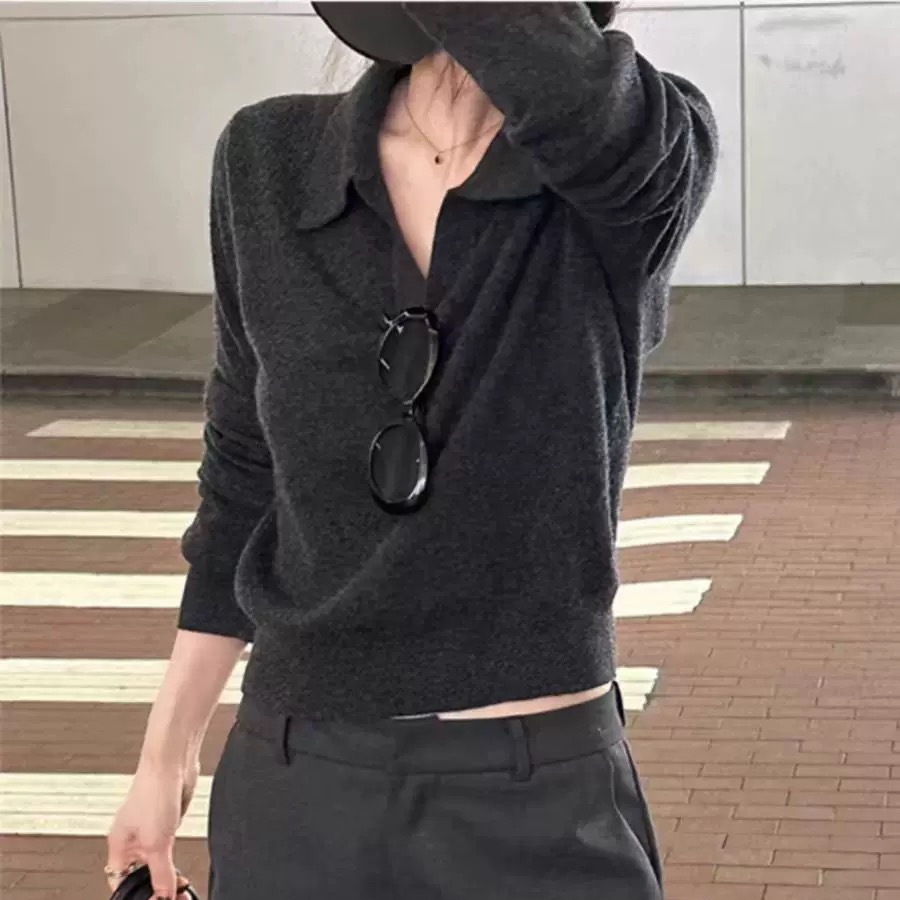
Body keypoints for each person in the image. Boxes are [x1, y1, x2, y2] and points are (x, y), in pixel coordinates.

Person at [106, 3, 717, 898]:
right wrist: (165, 758)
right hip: (300, 785)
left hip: (540, 800)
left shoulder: (636, 159)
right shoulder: (269, 161)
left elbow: (579, 98)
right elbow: (243, 473)